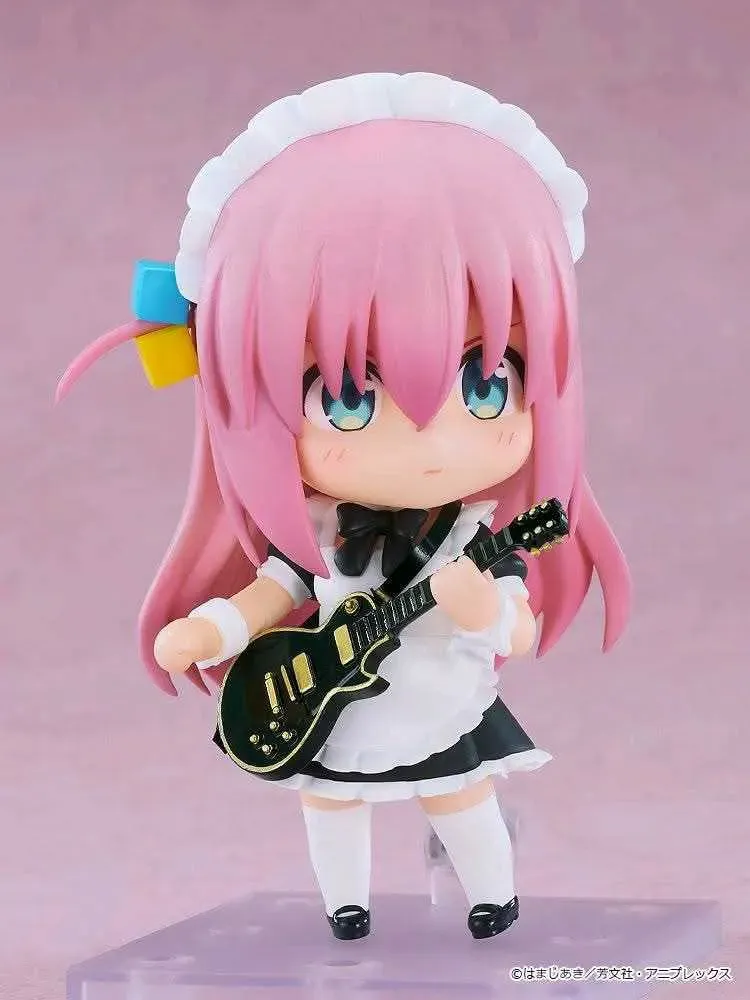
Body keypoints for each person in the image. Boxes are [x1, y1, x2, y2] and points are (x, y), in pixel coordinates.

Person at [58, 72, 631, 942]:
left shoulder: (477, 536)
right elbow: (275, 591)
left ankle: (492, 897)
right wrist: (212, 629)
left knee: (458, 791)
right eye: (348, 398)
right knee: (329, 802)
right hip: (334, 700)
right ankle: (346, 906)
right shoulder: (324, 534)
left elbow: (513, 628)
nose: (429, 436)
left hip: (437, 696)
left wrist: (484, 610)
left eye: (488, 382)